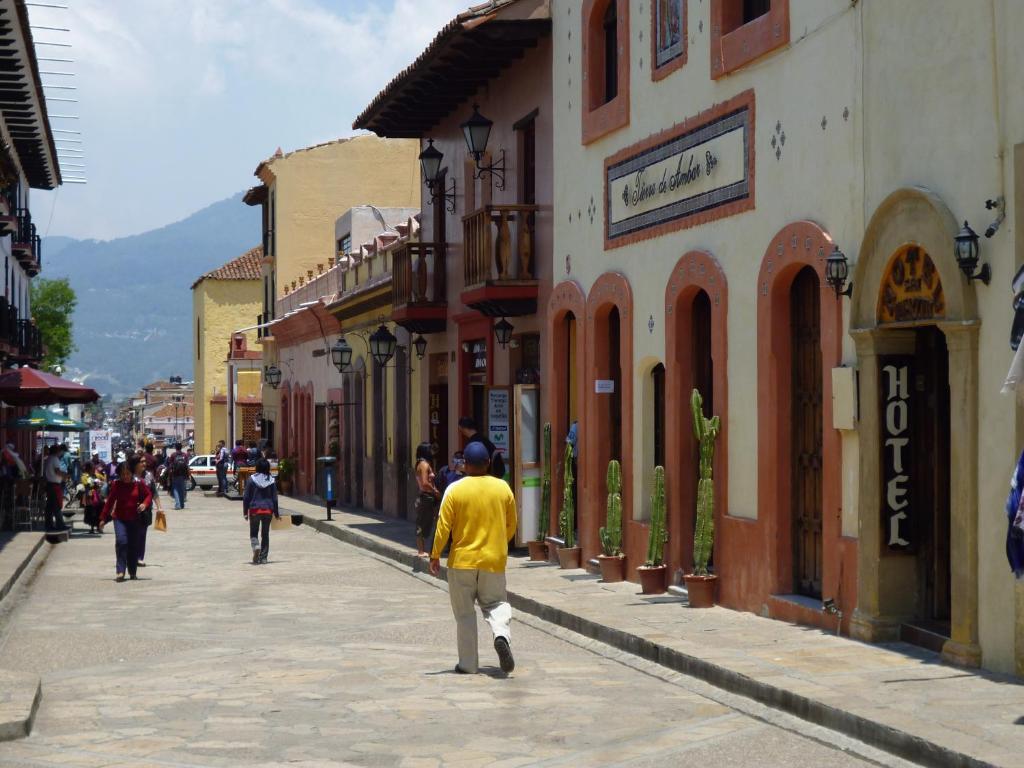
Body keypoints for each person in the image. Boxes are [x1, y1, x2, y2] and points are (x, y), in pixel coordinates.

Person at [430, 441, 517, 675]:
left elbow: (443, 527)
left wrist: (435, 554)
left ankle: (468, 664)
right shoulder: (503, 488)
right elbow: (511, 525)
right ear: (488, 463)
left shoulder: (454, 490)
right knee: (496, 603)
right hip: (493, 560)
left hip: (462, 561)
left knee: (465, 613)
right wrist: (498, 543)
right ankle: (500, 634)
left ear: (465, 465)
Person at [98, 462, 152, 581]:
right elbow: (110, 502)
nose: (126, 477)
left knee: (133, 546)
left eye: (128, 474)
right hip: (119, 519)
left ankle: (132, 571)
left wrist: (144, 504)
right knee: (122, 542)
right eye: (123, 474)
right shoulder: (117, 485)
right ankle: (120, 571)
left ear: (132, 473)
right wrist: (103, 518)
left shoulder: (139, 484)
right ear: (119, 475)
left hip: (134, 520)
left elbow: (149, 495)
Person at [242, 457, 279, 564]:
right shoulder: (271, 480)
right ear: (268, 468)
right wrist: (276, 513)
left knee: (254, 533)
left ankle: (256, 546)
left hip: (254, 510)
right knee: (265, 534)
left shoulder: (251, 479)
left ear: (257, 467)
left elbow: (246, 497)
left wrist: (245, 512)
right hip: (268, 510)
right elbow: (275, 498)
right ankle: (263, 558)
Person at [134, 458, 162, 568]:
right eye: (141, 461)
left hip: (146, 510)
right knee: (132, 534)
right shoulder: (130, 476)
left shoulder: (149, 476)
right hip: (132, 509)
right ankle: (131, 556)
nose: (144, 463)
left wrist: (159, 507)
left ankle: (139, 558)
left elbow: (154, 492)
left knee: (142, 534)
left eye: (145, 461)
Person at [413, 442, 440, 556]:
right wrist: (435, 491)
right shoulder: (424, 465)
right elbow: (424, 483)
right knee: (424, 523)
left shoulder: (421, 463)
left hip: (426, 496)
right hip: (427, 496)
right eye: (430, 449)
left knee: (425, 523)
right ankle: (421, 551)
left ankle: (424, 550)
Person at [43, 444, 68, 532]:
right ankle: (60, 524)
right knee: (57, 506)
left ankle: (49, 525)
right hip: (54, 485)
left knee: (49, 507)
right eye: (59, 450)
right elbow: (57, 471)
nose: (60, 452)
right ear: (56, 451)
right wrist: (64, 475)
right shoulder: (55, 459)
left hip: (50, 484)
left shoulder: (48, 459)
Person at [79, 462, 104, 534]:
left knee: (99, 511)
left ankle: (99, 527)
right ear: (89, 469)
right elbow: (85, 484)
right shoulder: (84, 476)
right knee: (91, 512)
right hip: (90, 496)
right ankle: (92, 528)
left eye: (94, 468)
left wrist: (100, 483)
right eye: (92, 468)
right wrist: (93, 485)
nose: (94, 469)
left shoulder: (97, 475)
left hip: (98, 496)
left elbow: (103, 479)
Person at [167, 442, 190, 509]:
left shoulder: (173, 455)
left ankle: (178, 505)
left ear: (175, 448)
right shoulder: (185, 455)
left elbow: (170, 466)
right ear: (181, 447)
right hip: (183, 475)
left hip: (175, 474)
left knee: (175, 489)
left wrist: (169, 475)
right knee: (182, 489)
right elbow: (187, 465)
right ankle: (182, 504)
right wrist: (188, 475)